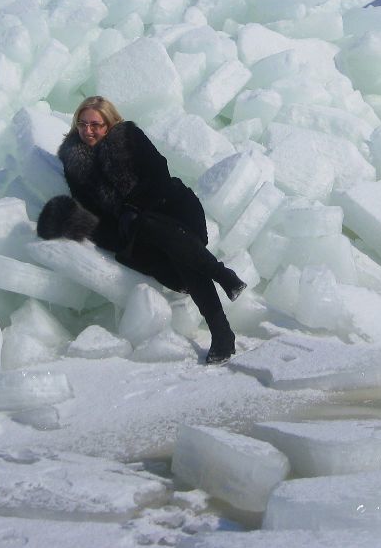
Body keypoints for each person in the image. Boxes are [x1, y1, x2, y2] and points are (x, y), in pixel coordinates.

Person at [36, 96, 245, 365]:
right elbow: (89, 208)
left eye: (96, 125)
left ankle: (222, 333)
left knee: (162, 235)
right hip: (137, 230)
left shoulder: (129, 137)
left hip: (172, 207)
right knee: (167, 246)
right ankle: (222, 276)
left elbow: (159, 174)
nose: (88, 131)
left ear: (110, 123)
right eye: (83, 124)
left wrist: (134, 207)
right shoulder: (74, 160)